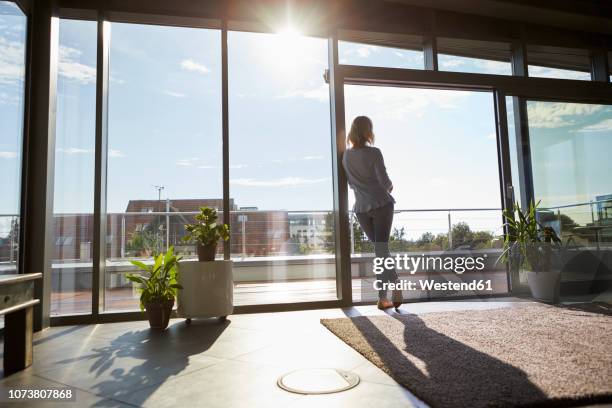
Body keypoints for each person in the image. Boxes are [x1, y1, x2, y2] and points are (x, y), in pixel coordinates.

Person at [342, 116, 402, 310]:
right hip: (381, 203)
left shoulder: (346, 156)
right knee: (381, 249)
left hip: (361, 207)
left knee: (380, 250)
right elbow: (385, 182)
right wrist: (391, 186)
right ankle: (393, 286)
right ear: (369, 131)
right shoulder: (375, 152)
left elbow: (351, 183)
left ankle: (384, 297)